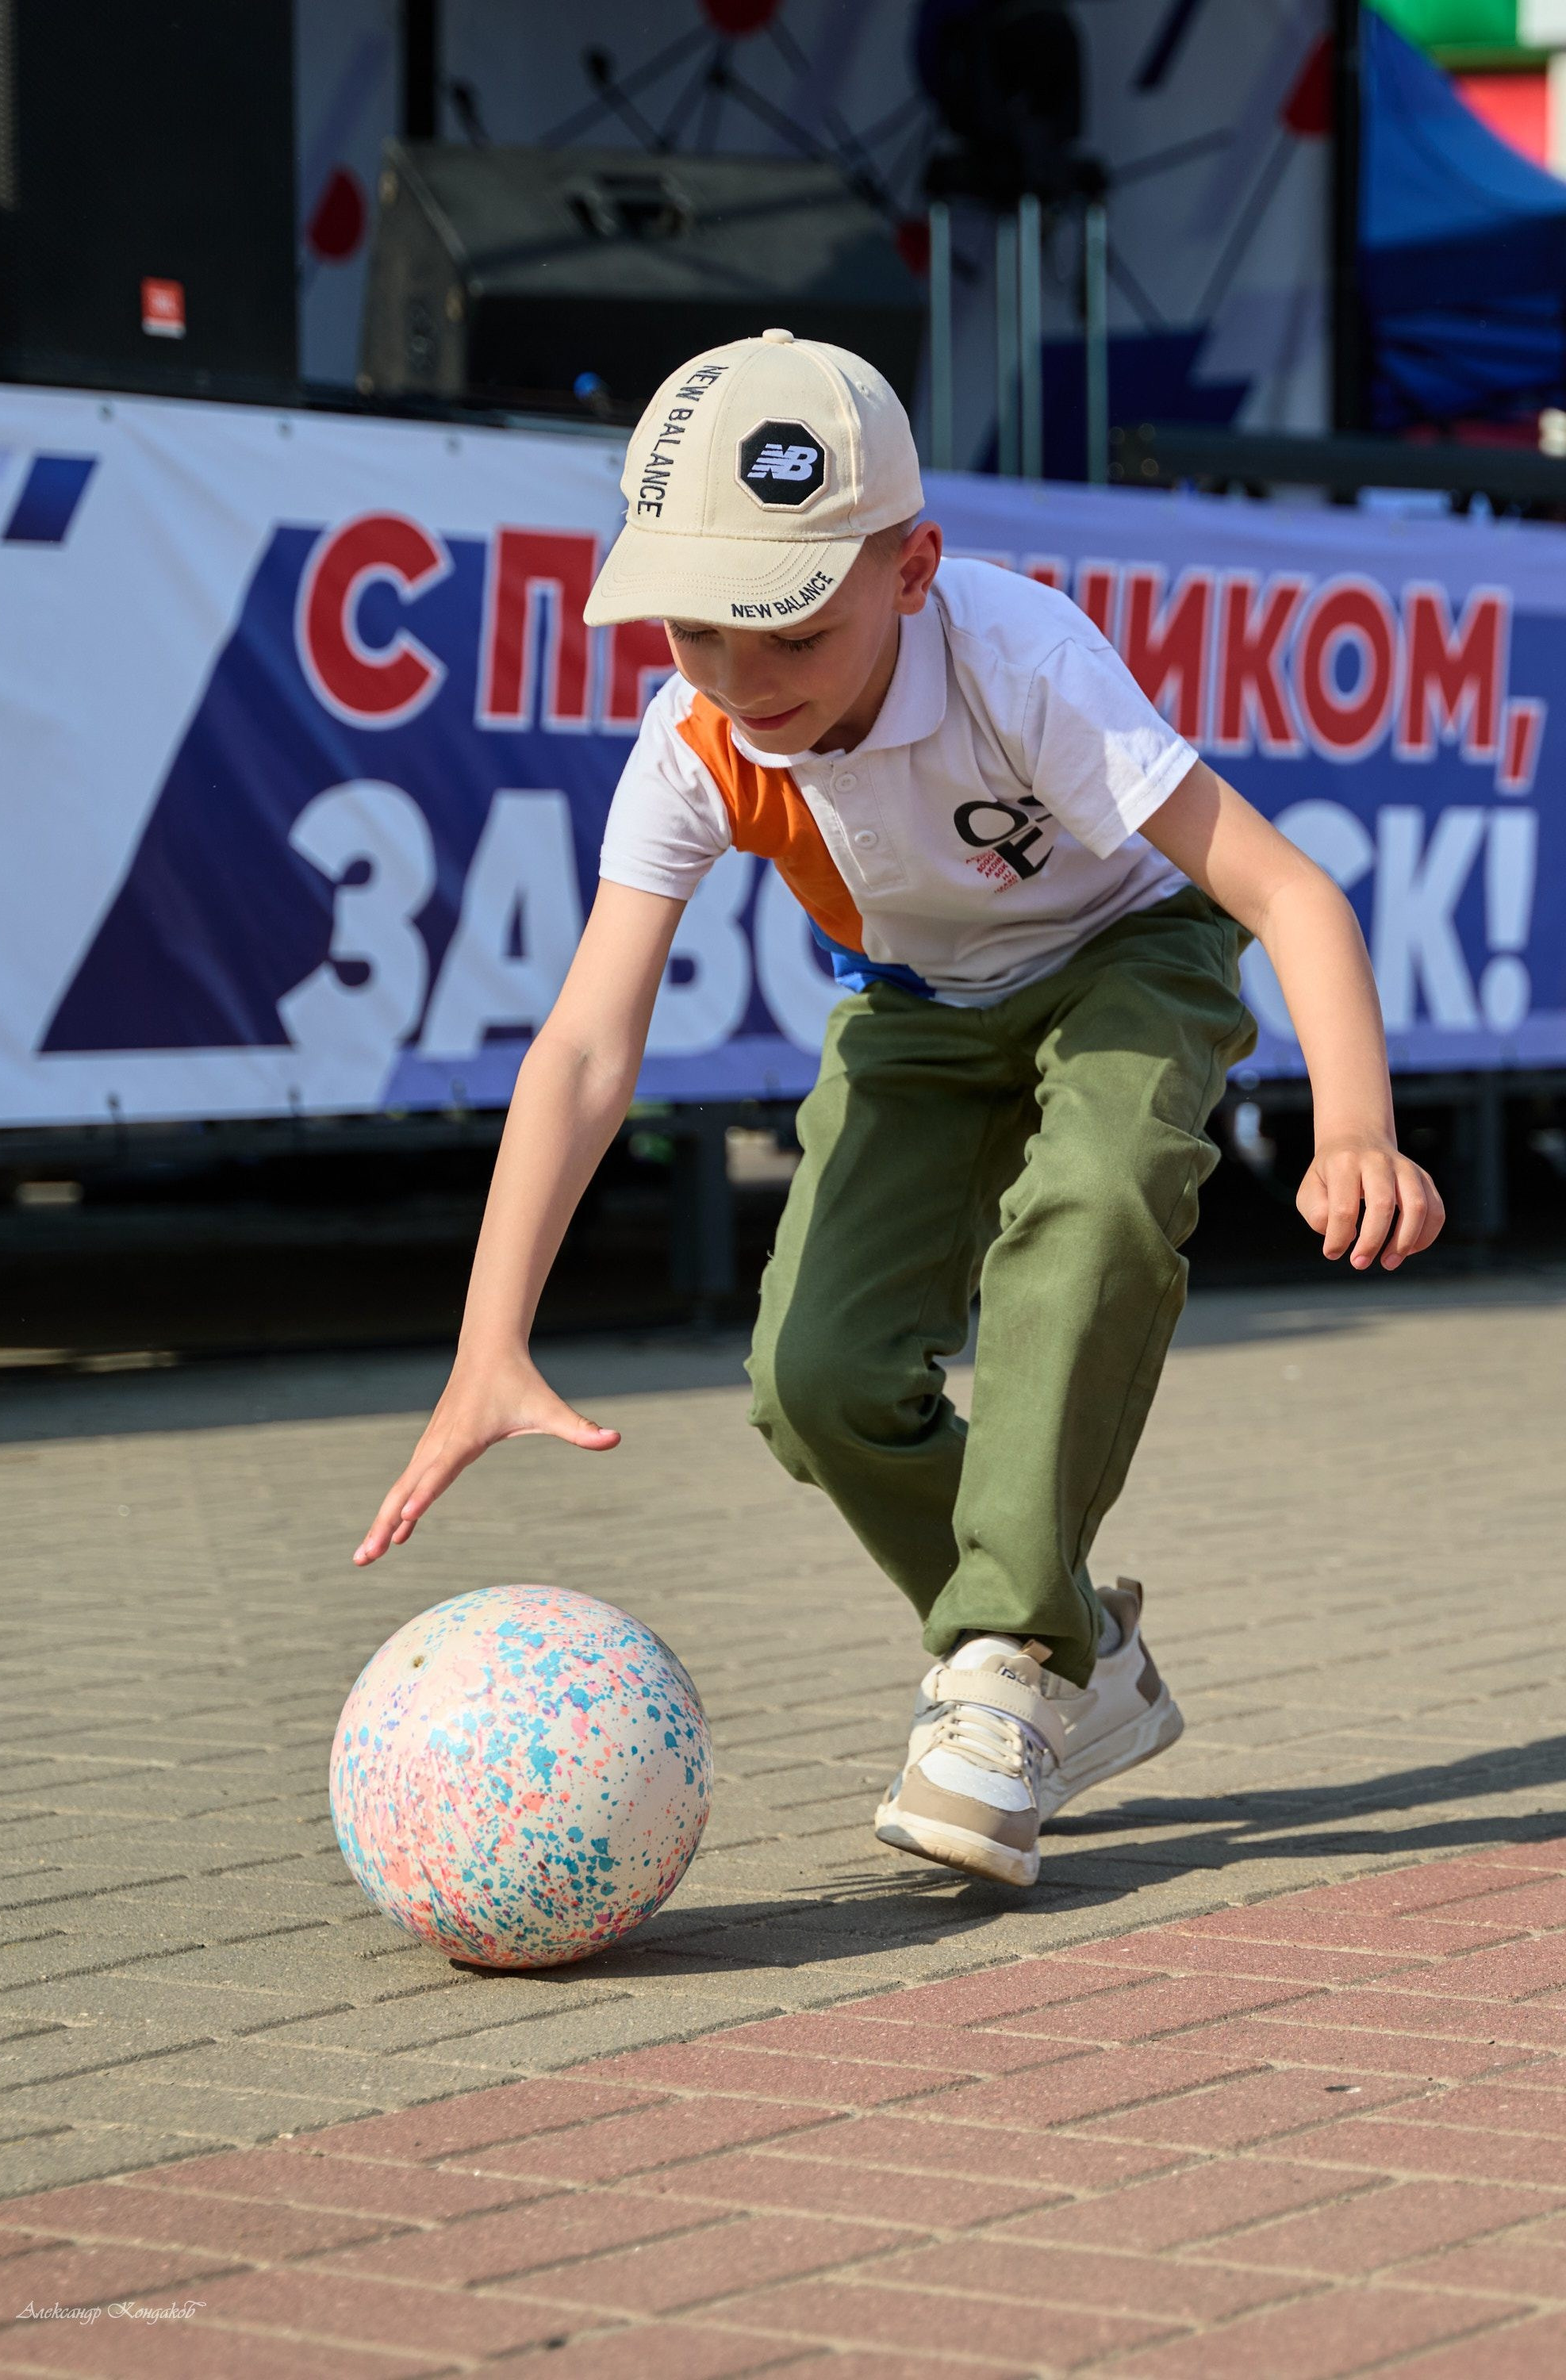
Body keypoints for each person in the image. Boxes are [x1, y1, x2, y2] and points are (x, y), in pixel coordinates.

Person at [353, 329, 1445, 1888]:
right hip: (923, 1008)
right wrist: (487, 1344)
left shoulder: (1023, 659)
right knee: (813, 1380)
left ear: (913, 567)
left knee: (1086, 1214)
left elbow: (1284, 889)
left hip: (1130, 958)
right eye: (696, 636)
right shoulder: (699, 749)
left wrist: (1351, 1126)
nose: (744, 688)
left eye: (788, 631)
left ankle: (1003, 1669)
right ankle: (1087, 1665)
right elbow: (590, 1049)